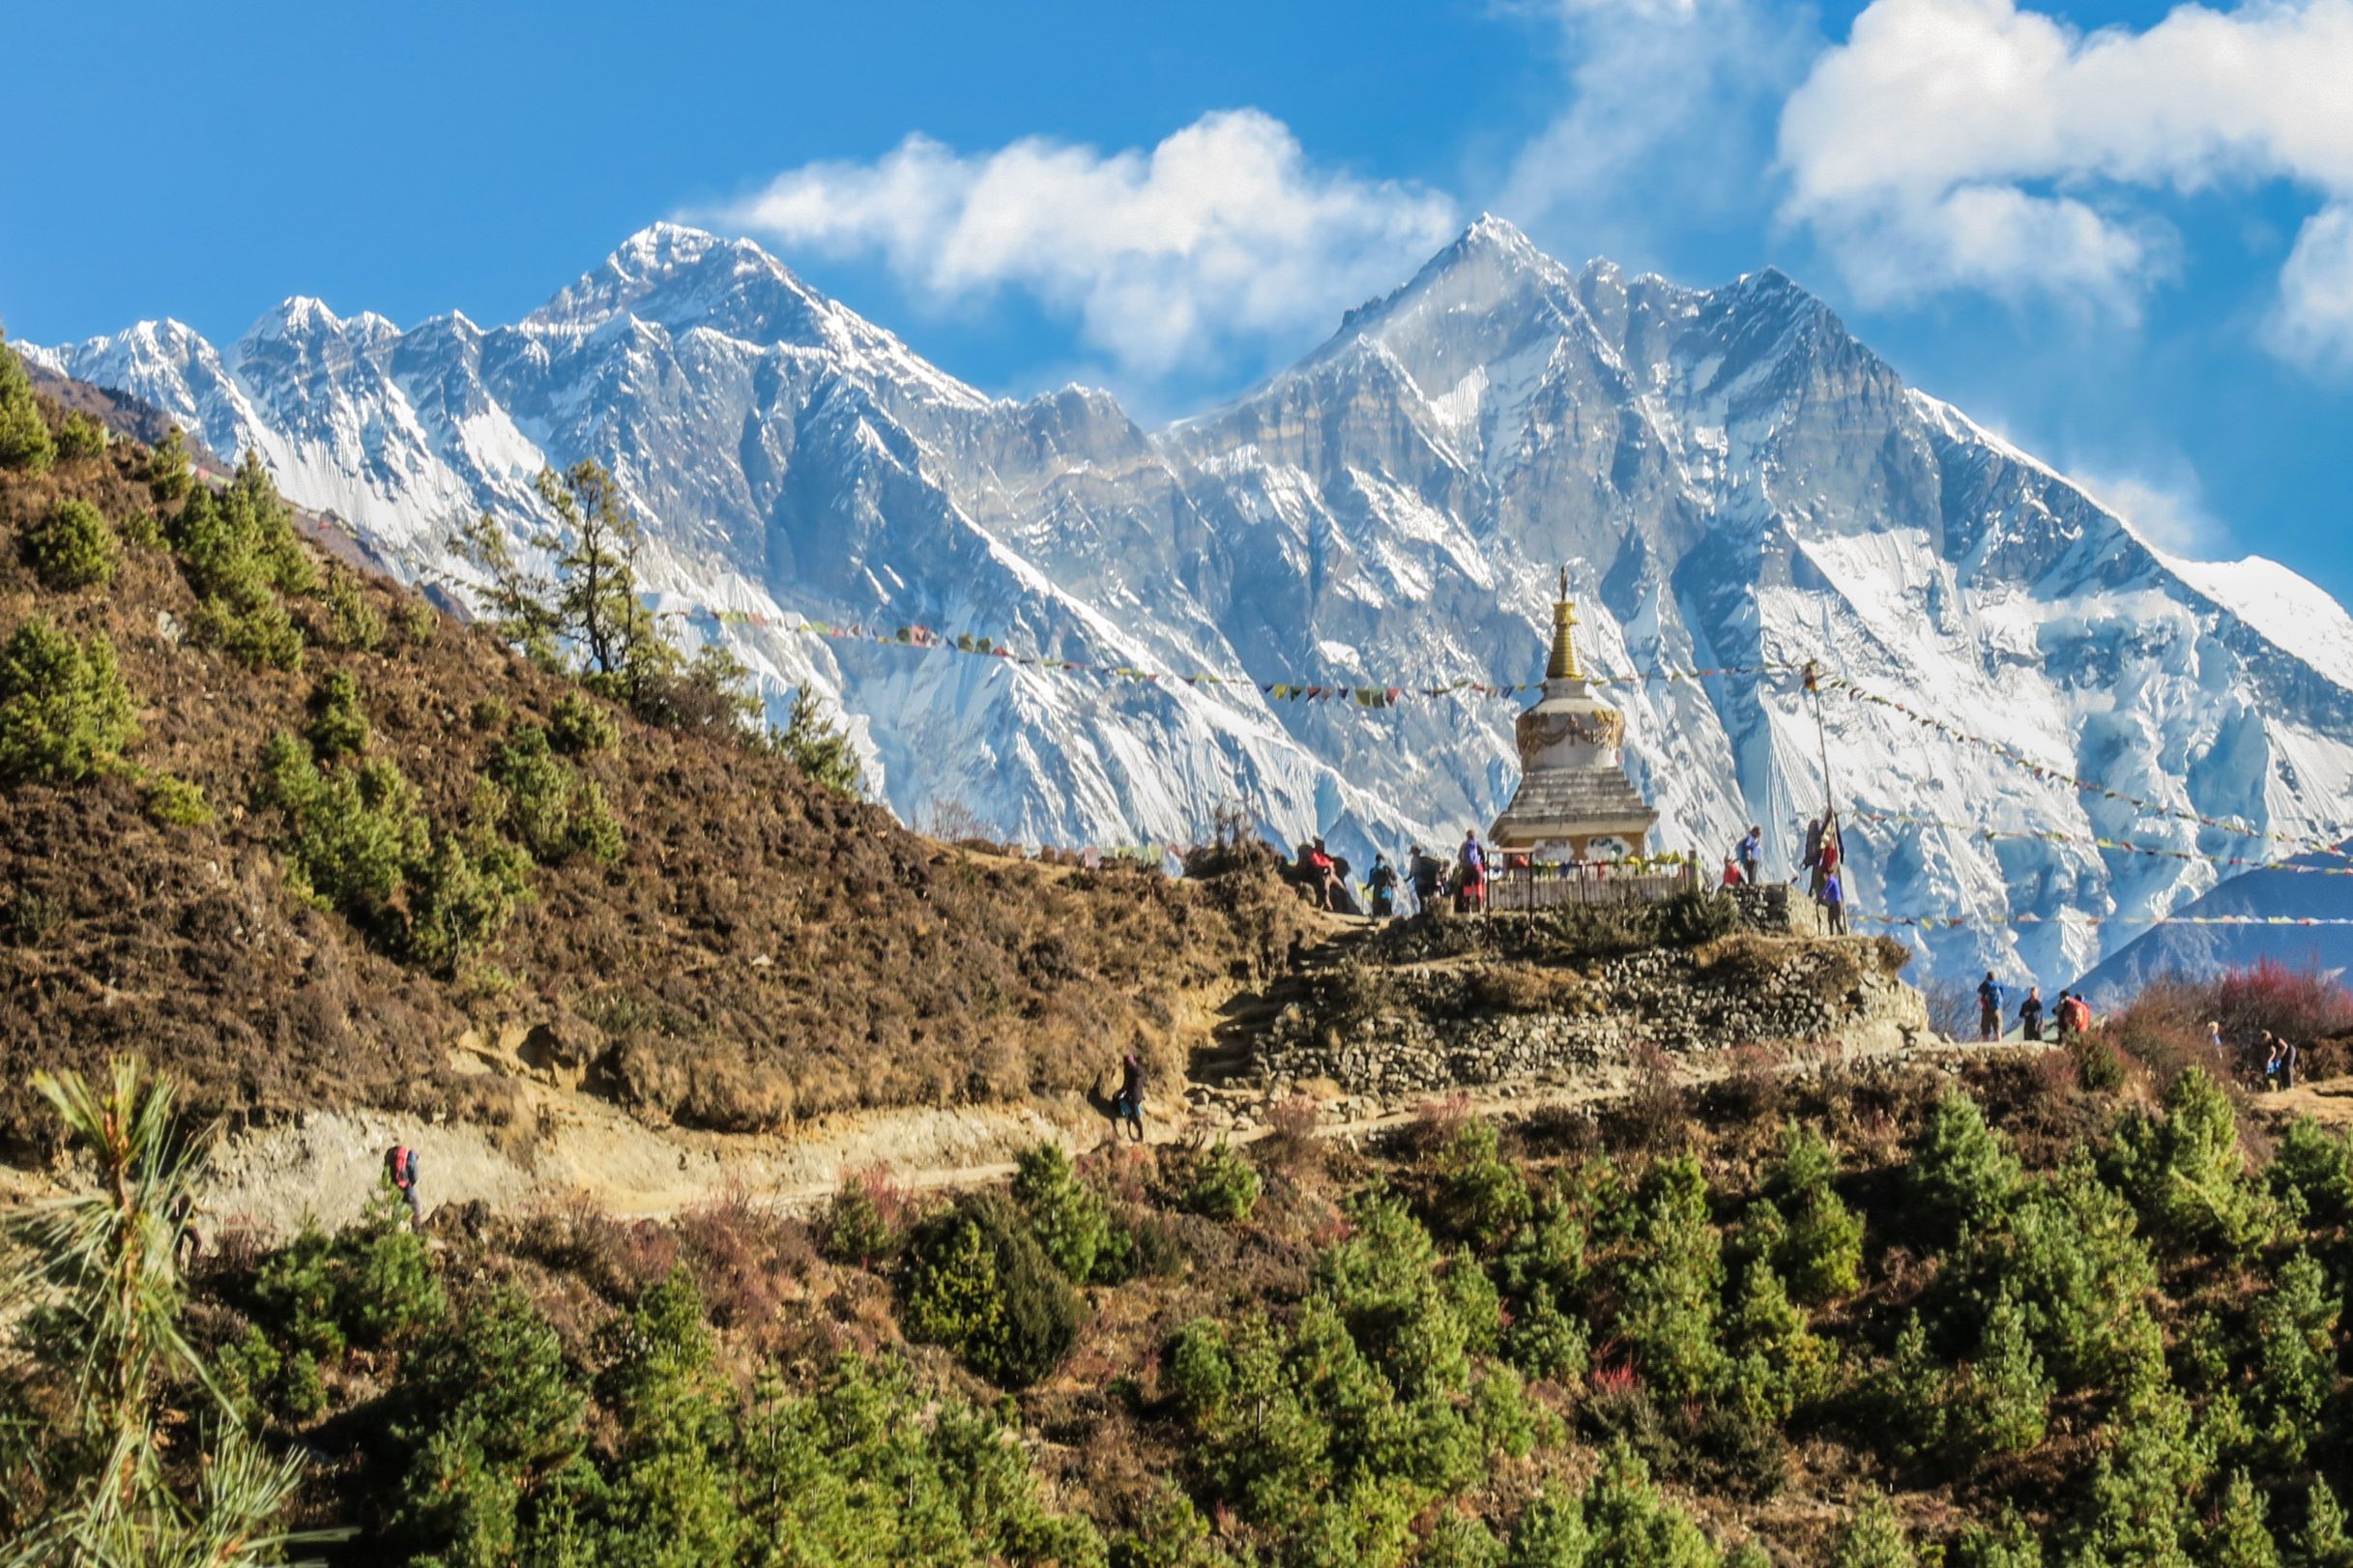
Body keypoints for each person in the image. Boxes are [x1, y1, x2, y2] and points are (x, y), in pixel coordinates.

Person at [385, 1143, 422, 1230]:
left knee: (397, 1211)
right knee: (416, 1209)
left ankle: (393, 1231)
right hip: (407, 1188)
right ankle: (417, 1232)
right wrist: (410, 1182)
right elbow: (414, 1177)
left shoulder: (393, 1156)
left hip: (395, 1188)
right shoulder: (411, 1158)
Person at [1113, 1053, 1147, 1141]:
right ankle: (1131, 1123)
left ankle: (1141, 1135)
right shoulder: (1140, 1069)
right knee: (1132, 1112)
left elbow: (1126, 1084)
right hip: (1138, 1095)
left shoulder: (1130, 1070)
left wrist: (1120, 1092)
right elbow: (1145, 1082)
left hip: (1133, 1096)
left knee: (1135, 1116)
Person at [1457, 829, 1488, 914]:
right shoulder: (1477, 844)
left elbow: (1459, 856)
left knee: (1467, 887)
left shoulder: (1464, 844)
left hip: (1466, 869)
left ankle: (1468, 906)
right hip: (1476, 868)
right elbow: (1483, 856)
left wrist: (1463, 863)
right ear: (1474, 836)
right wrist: (1482, 866)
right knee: (1478, 886)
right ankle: (1480, 906)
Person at [1409, 843, 1443, 914]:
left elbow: (1412, 874)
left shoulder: (1414, 860)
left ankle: (1423, 912)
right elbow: (1438, 864)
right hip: (1428, 882)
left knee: (1421, 898)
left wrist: (1406, 879)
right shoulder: (1426, 859)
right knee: (1428, 897)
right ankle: (1430, 912)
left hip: (1419, 882)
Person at [1977, 972, 2006, 1043]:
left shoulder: (1985, 984)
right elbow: (2002, 995)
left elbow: (1979, 990)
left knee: (1985, 1031)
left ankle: (1985, 1047)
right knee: (1998, 1030)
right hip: (1997, 1010)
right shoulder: (1999, 985)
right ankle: (1999, 1045)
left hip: (1986, 1010)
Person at [1367, 854, 1399, 918]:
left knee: (1376, 915)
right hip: (1387, 895)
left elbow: (1371, 882)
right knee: (1387, 916)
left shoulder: (1373, 870)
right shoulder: (1388, 869)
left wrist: (1366, 888)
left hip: (1377, 895)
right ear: (1383, 860)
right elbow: (1394, 878)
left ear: (1376, 860)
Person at [1818, 869, 1846, 934]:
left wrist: (1820, 895)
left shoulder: (1831, 880)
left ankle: (1844, 936)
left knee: (1837, 922)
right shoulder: (1832, 880)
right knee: (1830, 920)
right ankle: (1832, 936)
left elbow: (1826, 889)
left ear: (1826, 875)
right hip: (1832, 903)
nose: (1824, 877)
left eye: (1824, 875)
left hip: (1837, 903)